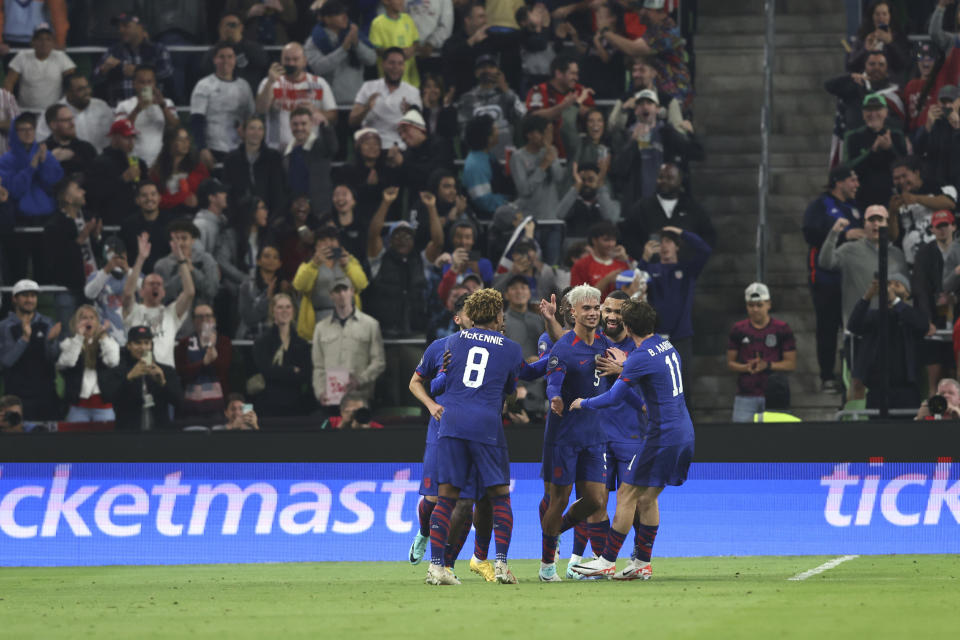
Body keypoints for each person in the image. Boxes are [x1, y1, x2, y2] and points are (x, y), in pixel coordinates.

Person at [569, 298, 694, 580]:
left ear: (627, 325)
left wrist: (582, 403)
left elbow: (613, 397)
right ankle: (642, 564)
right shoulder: (667, 345)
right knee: (648, 498)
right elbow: (654, 376)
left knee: (627, 494)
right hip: (684, 433)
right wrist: (628, 367)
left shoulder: (639, 357)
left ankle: (606, 560)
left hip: (661, 435)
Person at [419, 288, 521, 585]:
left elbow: (442, 379)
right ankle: (500, 565)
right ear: (497, 313)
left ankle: (437, 568)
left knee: (447, 497)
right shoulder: (510, 347)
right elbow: (511, 391)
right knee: (499, 496)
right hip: (486, 426)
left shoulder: (450, 341)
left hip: (450, 424)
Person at [537, 284, 618, 582]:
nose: (594, 313)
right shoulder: (563, 348)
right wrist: (555, 397)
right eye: (587, 308)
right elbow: (553, 381)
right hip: (564, 436)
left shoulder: (605, 344)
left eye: (596, 307)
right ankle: (547, 566)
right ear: (572, 312)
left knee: (597, 500)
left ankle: (553, 530)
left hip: (595, 434)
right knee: (558, 499)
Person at [802, 165, 862, 392]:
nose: (856, 184)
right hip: (826, 278)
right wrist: (843, 235)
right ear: (839, 182)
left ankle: (855, 377)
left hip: (852, 280)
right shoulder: (821, 205)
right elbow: (809, 231)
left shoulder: (854, 206)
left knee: (854, 329)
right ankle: (827, 376)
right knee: (827, 328)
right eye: (852, 180)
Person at [636, 226, 712, 383]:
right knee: (654, 383)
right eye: (661, 242)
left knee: (683, 384)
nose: (664, 246)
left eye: (669, 241)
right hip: (654, 336)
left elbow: (705, 250)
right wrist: (644, 258)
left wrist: (681, 232)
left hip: (681, 336)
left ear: (677, 246)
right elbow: (635, 286)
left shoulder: (687, 269)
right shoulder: (650, 269)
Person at [610, 88, 702, 210]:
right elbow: (617, 170)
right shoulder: (626, 135)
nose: (645, 107)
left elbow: (698, 154)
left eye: (649, 103)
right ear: (636, 110)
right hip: (638, 204)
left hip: (665, 203)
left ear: (657, 109)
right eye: (641, 104)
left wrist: (691, 135)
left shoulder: (667, 133)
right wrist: (632, 142)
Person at [848, 275, 927, 411]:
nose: (892, 287)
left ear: (907, 293)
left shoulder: (912, 314)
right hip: (877, 389)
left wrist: (895, 301)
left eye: (898, 284)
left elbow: (921, 326)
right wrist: (868, 295)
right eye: (889, 284)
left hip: (906, 389)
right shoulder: (875, 316)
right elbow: (853, 325)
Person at [121, 232, 195, 368]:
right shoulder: (134, 311)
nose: (155, 286)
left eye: (159, 284)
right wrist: (140, 259)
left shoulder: (172, 313)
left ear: (163, 293)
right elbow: (127, 294)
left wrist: (181, 259)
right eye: (151, 284)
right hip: (140, 371)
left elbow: (189, 292)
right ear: (141, 291)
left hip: (166, 374)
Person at [726, 283, 798, 423]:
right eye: (751, 305)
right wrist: (746, 367)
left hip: (774, 396)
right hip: (745, 394)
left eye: (759, 305)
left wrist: (767, 365)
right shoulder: (738, 329)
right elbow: (730, 363)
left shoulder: (782, 329)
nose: (755, 309)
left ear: (768, 304)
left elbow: (791, 364)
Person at [311, 278, 386, 408]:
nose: (341, 294)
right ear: (331, 295)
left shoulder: (370, 325)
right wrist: (320, 392)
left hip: (360, 397)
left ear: (352, 291)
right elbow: (318, 366)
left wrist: (359, 381)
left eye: (345, 289)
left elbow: (379, 362)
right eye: (337, 291)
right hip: (331, 399)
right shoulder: (321, 328)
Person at [620, 162, 716, 260]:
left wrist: (693, 258)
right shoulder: (642, 207)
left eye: (669, 178)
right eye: (661, 177)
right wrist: (643, 257)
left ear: (680, 180)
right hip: (651, 271)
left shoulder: (694, 209)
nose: (664, 181)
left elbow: (708, 237)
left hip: (685, 270)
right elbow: (627, 236)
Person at [255, 42, 337, 151]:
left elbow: (334, 116)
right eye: (287, 59)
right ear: (281, 60)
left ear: (304, 61)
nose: (291, 63)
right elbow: (260, 109)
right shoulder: (269, 82)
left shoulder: (319, 83)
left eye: (295, 59)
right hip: (277, 149)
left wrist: (316, 112)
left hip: (310, 149)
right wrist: (270, 82)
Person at [43, 176, 102, 325]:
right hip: (68, 288)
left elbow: (98, 252)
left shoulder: (90, 217)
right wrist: (80, 240)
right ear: (68, 198)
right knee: (68, 333)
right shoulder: (54, 225)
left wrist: (96, 237)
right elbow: (56, 260)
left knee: (94, 333)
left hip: (93, 286)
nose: (83, 192)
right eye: (78, 189)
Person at [100, 325, 183, 430]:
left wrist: (163, 383)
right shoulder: (118, 372)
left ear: (151, 345)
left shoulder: (165, 370)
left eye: (146, 343)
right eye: (137, 343)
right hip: (128, 436)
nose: (143, 347)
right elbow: (107, 397)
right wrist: (129, 377)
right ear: (128, 345)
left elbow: (179, 402)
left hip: (159, 436)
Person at [0, 279, 62, 420]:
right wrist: (25, 339)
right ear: (14, 299)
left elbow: (53, 358)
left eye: (33, 296)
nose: (30, 300)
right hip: (16, 398)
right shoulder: (4, 327)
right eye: (25, 296)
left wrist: (51, 341)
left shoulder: (47, 323)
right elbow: (6, 362)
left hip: (45, 395)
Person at [293, 226, 368, 340]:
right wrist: (314, 264)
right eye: (323, 241)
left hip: (349, 320)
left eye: (332, 240)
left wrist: (347, 266)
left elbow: (362, 284)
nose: (328, 244)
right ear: (316, 246)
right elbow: (299, 286)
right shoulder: (309, 264)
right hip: (320, 321)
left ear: (339, 244)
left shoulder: (350, 261)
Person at [189, 41, 255, 160]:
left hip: (239, 147)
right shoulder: (204, 85)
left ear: (235, 60)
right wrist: (202, 148)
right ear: (215, 60)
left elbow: (251, 117)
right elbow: (196, 120)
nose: (226, 61)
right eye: (221, 57)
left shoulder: (244, 86)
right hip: (213, 148)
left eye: (230, 57)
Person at [251, 292, 313, 417]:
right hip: (268, 406)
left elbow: (306, 374)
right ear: (272, 311)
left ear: (293, 311)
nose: (284, 311)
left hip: (296, 407)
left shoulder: (302, 343)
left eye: (288, 307)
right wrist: (291, 370)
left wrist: (278, 371)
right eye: (280, 307)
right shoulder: (262, 342)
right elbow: (266, 371)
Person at [913, 210, 956, 387]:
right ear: (932, 229)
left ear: (953, 226)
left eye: (945, 225)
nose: (942, 230)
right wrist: (926, 321)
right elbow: (920, 289)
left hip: (956, 319)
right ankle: (931, 414)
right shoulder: (924, 254)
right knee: (935, 380)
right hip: (935, 322)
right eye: (938, 227)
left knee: (955, 377)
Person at [305, 0, 377, 105]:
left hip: (355, 100)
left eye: (345, 13)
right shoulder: (314, 41)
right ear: (326, 18)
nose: (344, 17)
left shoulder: (356, 35)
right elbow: (318, 68)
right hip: (327, 102)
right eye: (338, 14)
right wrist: (343, 49)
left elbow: (372, 60)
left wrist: (357, 45)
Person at [843, 94, 907, 211]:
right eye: (869, 110)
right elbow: (848, 168)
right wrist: (872, 151)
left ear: (886, 112)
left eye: (877, 109)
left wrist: (890, 148)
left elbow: (906, 166)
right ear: (863, 113)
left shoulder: (896, 135)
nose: (873, 114)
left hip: (892, 198)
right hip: (862, 199)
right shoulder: (853, 137)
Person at [92, 13, 174, 106]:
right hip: (121, 109)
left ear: (140, 27)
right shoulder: (114, 51)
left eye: (126, 26)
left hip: (151, 106)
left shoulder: (157, 49)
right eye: (119, 27)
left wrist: (137, 71)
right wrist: (103, 71)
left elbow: (167, 73)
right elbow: (95, 77)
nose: (121, 30)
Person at [56, 305, 119, 423]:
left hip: (103, 407)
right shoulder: (68, 343)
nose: (88, 321)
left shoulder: (107, 342)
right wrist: (79, 337)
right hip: (77, 407)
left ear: (97, 322)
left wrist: (103, 336)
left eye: (92, 317)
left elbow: (112, 361)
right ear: (76, 322)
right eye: (84, 318)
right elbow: (68, 362)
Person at [350, 48, 422, 151]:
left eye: (400, 64)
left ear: (404, 66)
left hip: (401, 147)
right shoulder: (368, 87)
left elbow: (417, 131)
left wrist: (409, 114)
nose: (395, 67)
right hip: (371, 147)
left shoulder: (413, 92)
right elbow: (352, 121)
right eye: (391, 63)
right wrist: (366, 109)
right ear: (383, 65)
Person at [457, 54, 526, 161]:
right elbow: (464, 132)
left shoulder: (508, 94)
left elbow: (522, 116)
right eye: (482, 67)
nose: (487, 70)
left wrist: (506, 90)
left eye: (491, 67)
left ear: (498, 71)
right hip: (479, 156)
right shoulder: (467, 98)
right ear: (476, 73)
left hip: (505, 154)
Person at [525, 54, 595, 158]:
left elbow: (594, 115)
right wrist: (563, 106)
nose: (576, 78)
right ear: (558, 73)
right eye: (572, 74)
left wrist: (577, 106)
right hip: (546, 154)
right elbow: (533, 116)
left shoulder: (579, 90)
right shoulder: (540, 90)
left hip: (575, 153)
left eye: (577, 74)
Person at [114, 64, 180, 167]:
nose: (146, 86)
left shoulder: (167, 103)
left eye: (150, 82)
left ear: (155, 83)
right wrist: (137, 110)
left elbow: (175, 126)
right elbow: (119, 134)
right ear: (134, 84)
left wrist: (162, 106)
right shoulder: (124, 105)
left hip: (161, 162)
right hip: (134, 161)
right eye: (142, 82)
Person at [174, 304, 232, 420]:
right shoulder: (184, 344)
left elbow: (224, 370)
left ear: (214, 320)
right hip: (191, 406)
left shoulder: (223, 342)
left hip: (218, 405)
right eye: (200, 317)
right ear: (194, 321)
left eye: (208, 316)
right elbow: (182, 373)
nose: (204, 320)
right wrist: (203, 363)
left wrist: (211, 346)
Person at [87, 118, 148, 225]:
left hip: (135, 221)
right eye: (126, 137)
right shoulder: (99, 163)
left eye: (132, 137)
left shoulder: (138, 163)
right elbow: (94, 195)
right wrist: (122, 180)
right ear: (114, 138)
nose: (131, 142)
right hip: (111, 221)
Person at [3, 23, 75, 114]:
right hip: (25, 112)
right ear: (33, 42)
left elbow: (72, 82)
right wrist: (7, 105)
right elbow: (9, 82)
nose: (44, 43)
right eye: (40, 39)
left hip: (53, 113)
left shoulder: (60, 57)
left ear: (53, 42)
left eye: (48, 39)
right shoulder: (22, 56)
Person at [222, 115, 286, 217]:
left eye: (260, 129)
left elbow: (278, 189)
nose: (256, 133)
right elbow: (228, 190)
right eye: (252, 128)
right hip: (240, 216)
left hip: (268, 215)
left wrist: (275, 216)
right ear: (244, 131)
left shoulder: (273, 157)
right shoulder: (231, 159)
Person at [283, 106, 338, 219]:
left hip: (319, 211)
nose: (299, 128)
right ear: (290, 125)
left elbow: (333, 147)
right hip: (295, 212)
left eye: (303, 123)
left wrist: (325, 125)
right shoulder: (286, 151)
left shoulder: (320, 146)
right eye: (295, 124)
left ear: (311, 124)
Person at [35, 74, 113, 153]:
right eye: (81, 89)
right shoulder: (53, 112)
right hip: (69, 160)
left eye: (87, 87)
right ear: (67, 93)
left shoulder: (102, 106)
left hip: (102, 159)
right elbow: (41, 140)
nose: (87, 92)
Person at [152, 219, 220, 308]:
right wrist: (183, 273)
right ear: (170, 242)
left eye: (184, 238)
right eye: (176, 239)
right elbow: (160, 297)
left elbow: (212, 290)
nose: (179, 243)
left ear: (193, 240)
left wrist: (193, 271)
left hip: (201, 312)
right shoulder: (162, 265)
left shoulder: (206, 259)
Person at [198, 13, 269, 92]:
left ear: (241, 27)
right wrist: (223, 42)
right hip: (220, 94)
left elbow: (262, 62)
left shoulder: (252, 47)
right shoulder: (214, 51)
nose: (230, 29)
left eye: (233, 25)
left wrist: (238, 41)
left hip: (246, 93)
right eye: (226, 25)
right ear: (220, 28)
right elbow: (205, 68)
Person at [151, 126, 211, 216]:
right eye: (180, 139)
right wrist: (182, 198)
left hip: (194, 214)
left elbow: (208, 194)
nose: (185, 143)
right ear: (170, 143)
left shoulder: (198, 168)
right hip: (166, 215)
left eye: (187, 139)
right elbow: (154, 198)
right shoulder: (157, 170)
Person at [441, 2, 495, 97]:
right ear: (468, 20)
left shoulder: (490, 40)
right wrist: (472, 41)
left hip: (487, 95)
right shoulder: (453, 42)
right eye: (481, 17)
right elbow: (451, 58)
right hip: (462, 96)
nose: (485, 21)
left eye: (485, 17)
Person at [237, 245, 290, 340]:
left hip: (277, 339)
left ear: (279, 264)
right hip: (250, 339)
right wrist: (268, 298)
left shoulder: (284, 288)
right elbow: (248, 318)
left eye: (275, 257)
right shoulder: (247, 286)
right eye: (266, 256)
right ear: (258, 261)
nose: (271, 260)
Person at [569, 222, 631, 297]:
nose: (611, 244)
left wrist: (627, 261)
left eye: (613, 240)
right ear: (594, 240)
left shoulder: (622, 263)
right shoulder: (581, 266)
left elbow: (633, 293)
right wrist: (606, 280)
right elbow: (578, 298)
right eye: (606, 240)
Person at [368, 0, 421, 87]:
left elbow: (416, 41)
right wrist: (399, 54)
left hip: (411, 81)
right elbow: (376, 49)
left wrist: (412, 49)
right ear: (386, 1)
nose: (401, 1)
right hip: (388, 83)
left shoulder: (408, 19)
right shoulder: (377, 23)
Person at [41, 104, 97, 182]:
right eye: (66, 120)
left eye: (72, 119)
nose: (72, 124)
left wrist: (75, 158)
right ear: (53, 125)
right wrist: (51, 159)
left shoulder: (87, 148)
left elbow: (95, 177)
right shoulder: (42, 149)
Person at [225, 0, 298, 46]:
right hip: (249, 45)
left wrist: (280, 9)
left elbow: (293, 18)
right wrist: (248, 13)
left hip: (279, 44)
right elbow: (228, 16)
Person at [192, 178, 228, 255]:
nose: (226, 195)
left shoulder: (224, 220)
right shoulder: (199, 225)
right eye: (221, 192)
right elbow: (197, 257)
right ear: (211, 197)